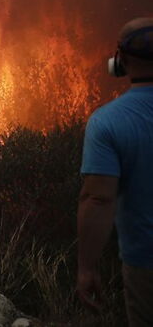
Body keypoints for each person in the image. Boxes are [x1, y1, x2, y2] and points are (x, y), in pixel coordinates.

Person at [78, 17, 153, 325]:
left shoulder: (108, 122)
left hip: (145, 265)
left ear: (119, 60)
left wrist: (86, 268)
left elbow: (98, 200)